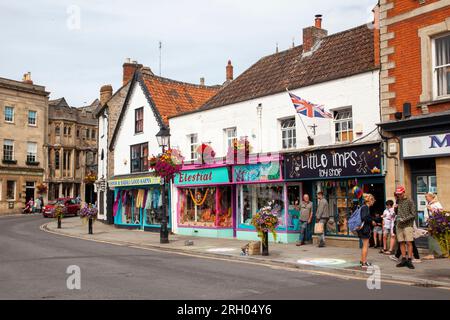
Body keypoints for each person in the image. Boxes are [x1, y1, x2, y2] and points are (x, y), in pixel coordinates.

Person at [394, 186, 417, 269]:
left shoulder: (410, 201)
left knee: (409, 242)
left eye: (400, 194)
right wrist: (395, 209)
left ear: (403, 192)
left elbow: (413, 214)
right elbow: (397, 213)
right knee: (401, 242)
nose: (399, 195)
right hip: (399, 225)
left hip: (407, 225)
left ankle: (409, 259)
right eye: (397, 194)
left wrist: (404, 219)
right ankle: (403, 259)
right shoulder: (398, 200)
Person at [424, 193, 444, 259]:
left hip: (434, 223)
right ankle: (436, 253)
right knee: (432, 237)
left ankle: (433, 254)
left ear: (431, 197)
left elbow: (441, 212)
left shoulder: (436, 203)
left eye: (426, 197)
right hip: (430, 222)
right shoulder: (430, 204)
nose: (425, 198)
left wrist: (431, 209)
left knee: (432, 237)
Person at [358, 193, 376, 269]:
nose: (374, 201)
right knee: (365, 246)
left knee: (364, 246)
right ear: (369, 201)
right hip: (364, 229)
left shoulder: (364, 207)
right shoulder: (365, 207)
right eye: (373, 200)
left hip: (363, 229)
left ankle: (362, 260)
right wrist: (371, 221)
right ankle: (364, 263)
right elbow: (364, 217)